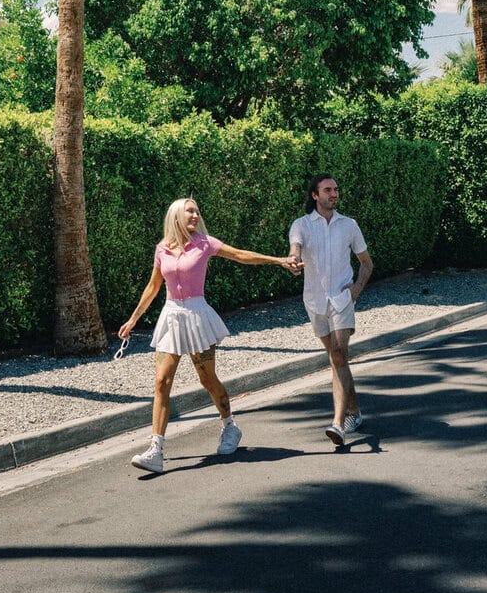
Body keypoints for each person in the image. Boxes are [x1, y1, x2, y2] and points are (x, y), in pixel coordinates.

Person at [119, 196, 292, 475]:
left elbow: (240, 255)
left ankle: (229, 427)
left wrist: (278, 260)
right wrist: (133, 319)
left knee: (206, 378)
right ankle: (156, 449)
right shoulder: (162, 249)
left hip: (198, 316)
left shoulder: (205, 243)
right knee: (162, 381)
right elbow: (153, 287)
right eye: (190, 211)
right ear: (176, 215)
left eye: (197, 211)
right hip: (171, 316)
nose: (195, 215)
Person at [288, 173, 373, 447]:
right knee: (338, 360)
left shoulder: (349, 225)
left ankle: (338, 424)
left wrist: (357, 289)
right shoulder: (300, 225)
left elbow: (366, 263)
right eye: (328, 190)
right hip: (314, 302)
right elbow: (295, 250)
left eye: (336, 189)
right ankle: (355, 412)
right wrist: (293, 261)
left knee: (338, 354)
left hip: (342, 300)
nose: (334, 194)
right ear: (315, 195)